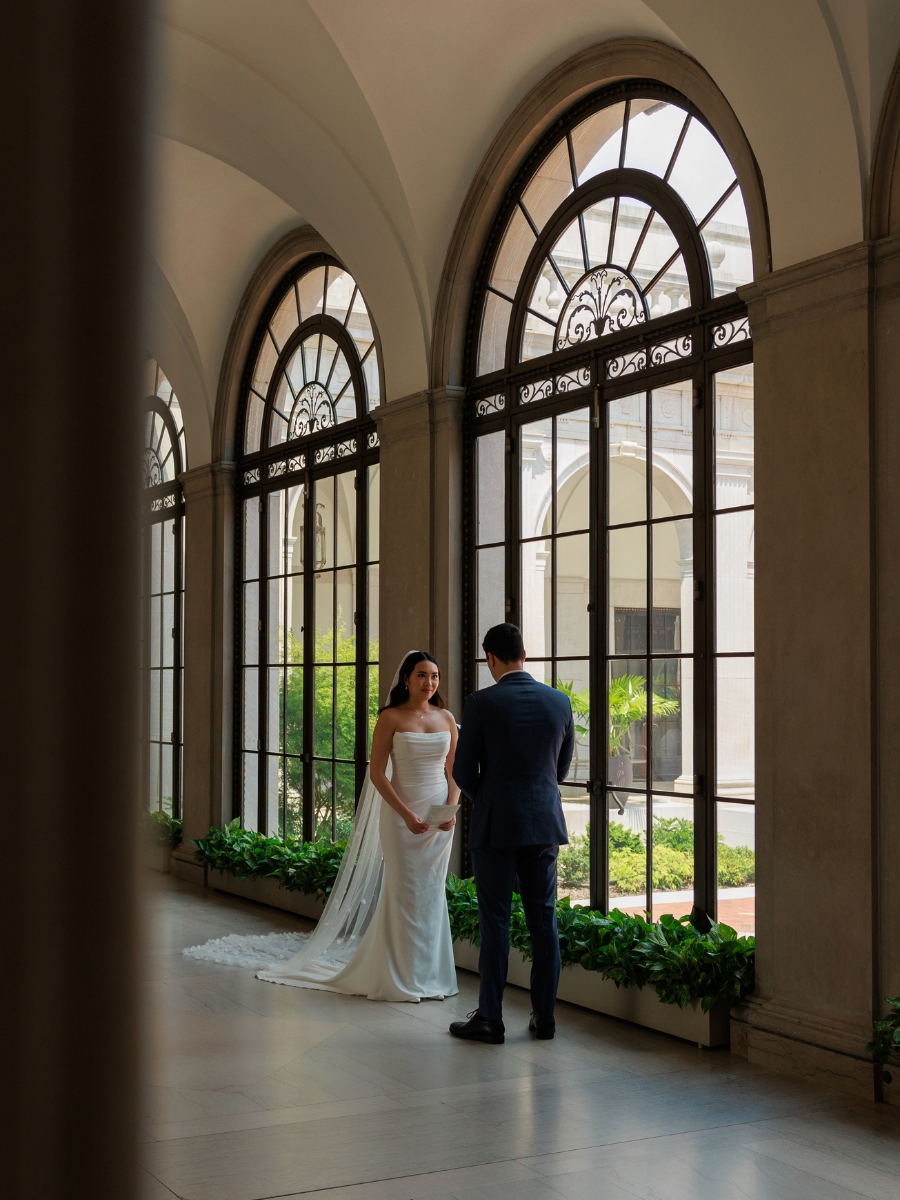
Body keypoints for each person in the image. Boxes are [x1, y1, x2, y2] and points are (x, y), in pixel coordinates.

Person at [255, 651, 460, 1002]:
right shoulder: (391, 717)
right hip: (400, 816)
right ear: (407, 679)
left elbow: (455, 770)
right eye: (422, 675)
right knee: (404, 891)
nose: (430, 683)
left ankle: (433, 975)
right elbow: (377, 774)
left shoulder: (447, 717)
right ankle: (399, 975)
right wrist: (406, 815)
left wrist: (451, 808)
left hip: (440, 819)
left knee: (430, 893)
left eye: (435, 676)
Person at [449, 623, 574, 1044]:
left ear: (490, 658)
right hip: (543, 826)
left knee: (496, 923)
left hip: (496, 827)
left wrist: (488, 798)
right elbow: (560, 769)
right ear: (525, 653)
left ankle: (490, 1018)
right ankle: (546, 1019)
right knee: (544, 922)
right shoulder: (559, 701)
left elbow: (462, 772)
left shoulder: (482, 703)